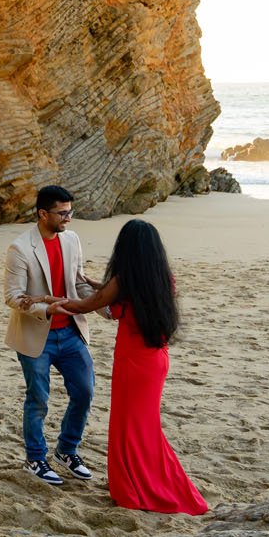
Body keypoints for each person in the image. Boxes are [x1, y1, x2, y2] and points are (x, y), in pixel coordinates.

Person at [50, 218, 208, 514]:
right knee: (145, 427)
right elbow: (113, 297)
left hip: (133, 363)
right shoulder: (162, 277)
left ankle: (136, 489)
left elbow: (91, 304)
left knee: (128, 427)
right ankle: (152, 482)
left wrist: (53, 302)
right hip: (156, 360)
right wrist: (100, 287)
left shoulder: (124, 280)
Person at [3, 186, 99, 485]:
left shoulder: (71, 240)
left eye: (70, 212)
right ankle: (35, 459)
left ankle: (66, 451)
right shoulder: (20, 248)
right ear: (42, 214)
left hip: (71, 333)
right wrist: (48, 309)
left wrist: (105, 307)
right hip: (36, 337)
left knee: (84, 392)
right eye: (62, 213)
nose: (68, 219)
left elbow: (79, 284)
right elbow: (13, 296)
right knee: (38, 400)